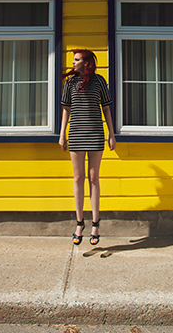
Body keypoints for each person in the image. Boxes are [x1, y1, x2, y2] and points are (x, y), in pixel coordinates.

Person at [59, 49, 115, 246]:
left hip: (95, 133)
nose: (73, 63)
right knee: (77, 178)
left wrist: (111, 133)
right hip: (76, 133)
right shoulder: (70, 83)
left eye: (76, 60)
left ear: (86, 62)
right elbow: (66, 109)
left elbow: (106, 107)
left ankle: (96, 225)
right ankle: (79, 223)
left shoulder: (99, 81)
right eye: (73, 60)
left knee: (93, 178)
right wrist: (62, 134)